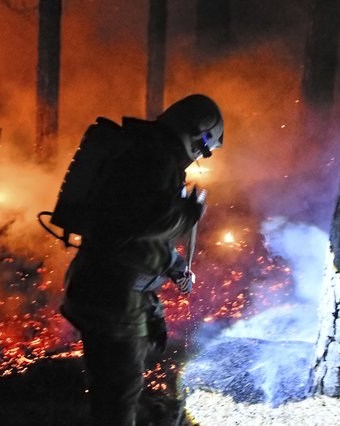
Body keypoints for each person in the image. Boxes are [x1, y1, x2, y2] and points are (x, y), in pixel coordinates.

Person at [60, 94, 224, 426]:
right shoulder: (154, 159)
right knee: (117, 396)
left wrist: (175, 266)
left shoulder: (148, 152)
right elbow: (142, 220)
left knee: (120, 384)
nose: (199, 157)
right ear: (198, 137)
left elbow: (136, 234)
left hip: (110, 289)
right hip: (114, 297)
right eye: (205, 148)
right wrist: (187, 214)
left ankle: (149, 414)